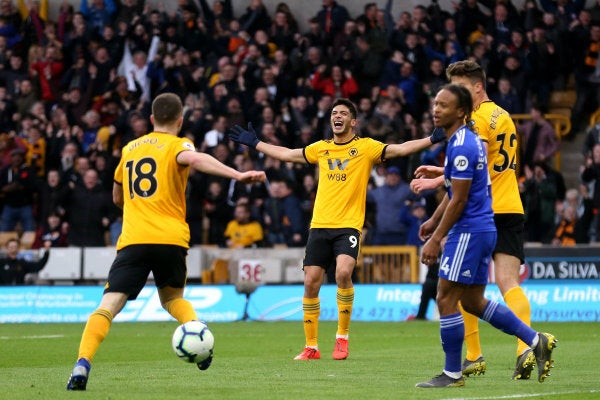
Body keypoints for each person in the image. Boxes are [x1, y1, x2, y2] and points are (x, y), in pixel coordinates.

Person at [66, 93, 266, 391]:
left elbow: (117, 196)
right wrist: (237, 174)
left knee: (108, 305)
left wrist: (137, 211)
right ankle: (200, 341)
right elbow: (195, 159)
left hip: (134, 239)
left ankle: (82, 362)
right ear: (181, 120)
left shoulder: (129, 149)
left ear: (150, 119)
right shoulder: (178, 144)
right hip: (171, 239)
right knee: (172, 299)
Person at [229, 97, 446, 361]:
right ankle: (311, 347)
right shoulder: (321, 148)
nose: (337, 116)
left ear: (353, 121)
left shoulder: (366, 148)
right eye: (334, 113)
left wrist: (431, 140)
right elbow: (288, 153)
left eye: (343, 113)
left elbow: (399, 149)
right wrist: (256, 143)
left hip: (348, 226)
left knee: (344, 273)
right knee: (310, 282)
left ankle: (341, 339)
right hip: (320, 225)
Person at [415, 84, 557, 388]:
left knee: (445, 296)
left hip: (469, 230)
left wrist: (437, 238)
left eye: (444, 104)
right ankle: (536, 340)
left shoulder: (463, 145)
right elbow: (454, 189)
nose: (436, 109)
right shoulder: (464, 141)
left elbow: (460, 199)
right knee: (474, 301)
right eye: (435, 103)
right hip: (481, 228)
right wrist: (434, 219)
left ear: (461, 111)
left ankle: (453, 372)